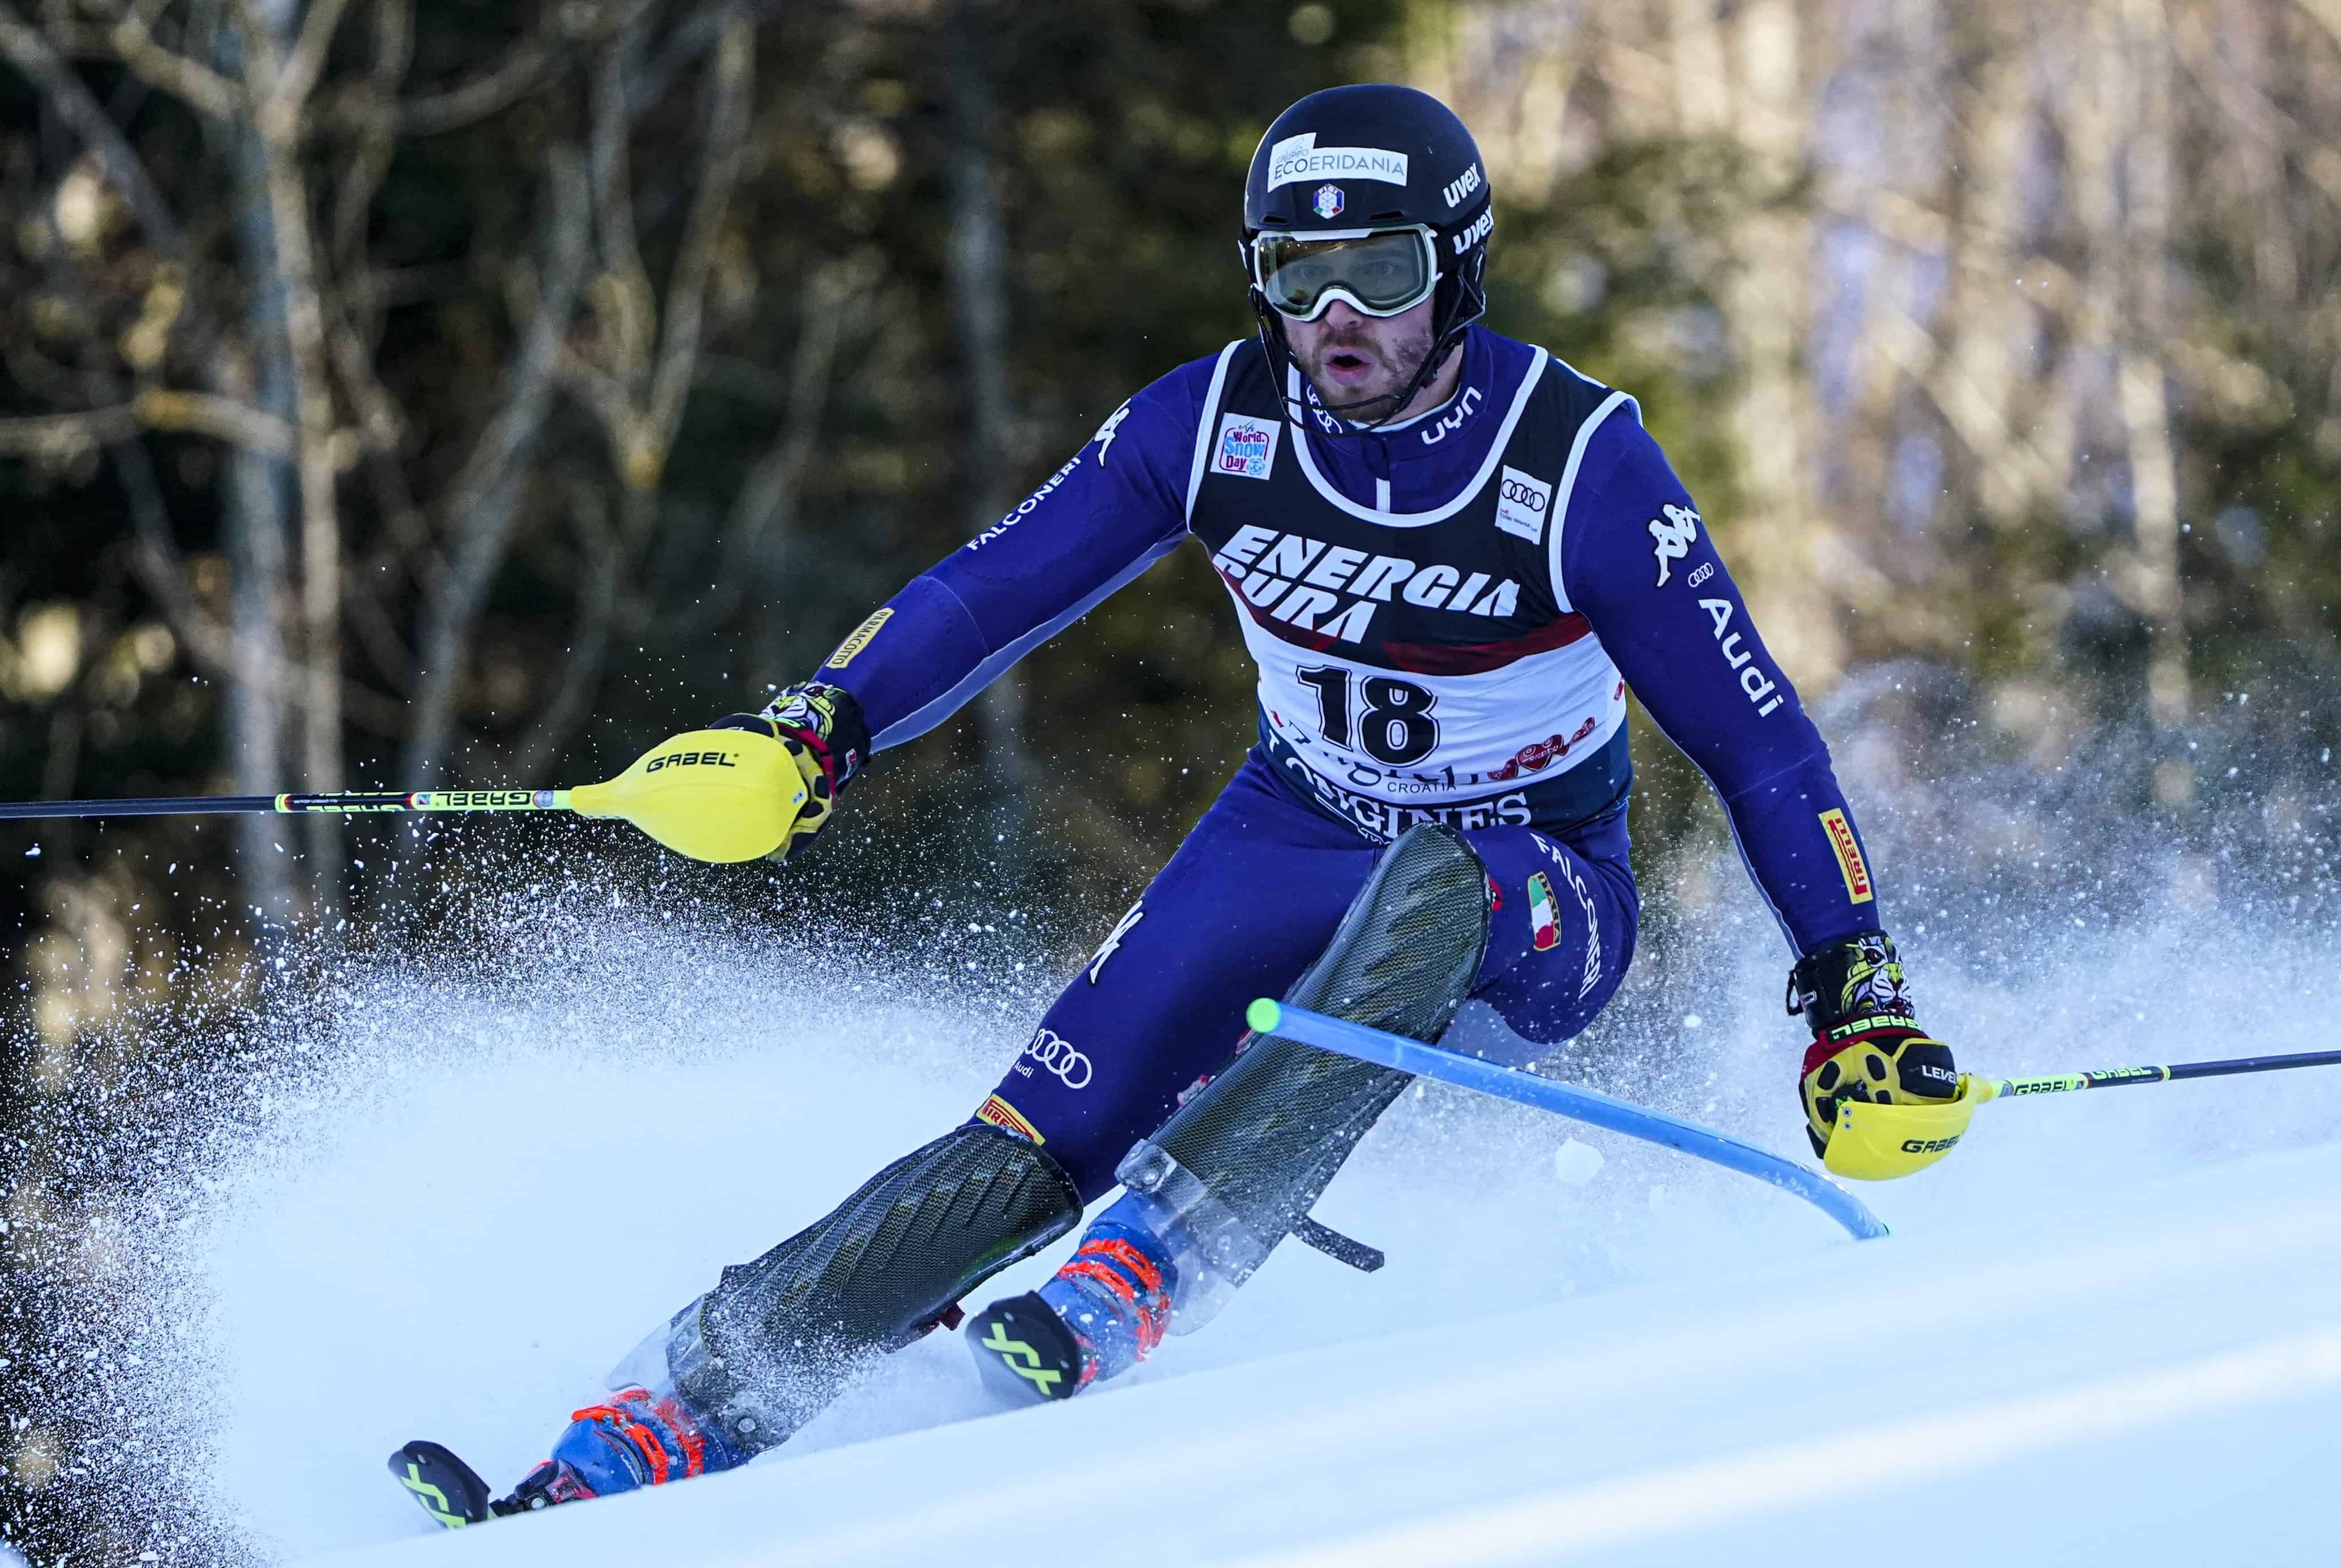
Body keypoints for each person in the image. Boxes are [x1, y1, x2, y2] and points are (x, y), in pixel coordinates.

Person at [393, 83, 1957, 1524]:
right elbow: (998, 585)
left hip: (1539, 887)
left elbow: (1761, 746)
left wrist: (1854, 987)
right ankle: (664, 1419)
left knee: (1434, 876)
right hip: (1293, 828)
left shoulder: (1578, 459)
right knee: (1033, 1136)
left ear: (1460, 272)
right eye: (1294, 274)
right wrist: (816, 734)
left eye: (1382, 273)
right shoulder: (1213, 420)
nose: (1335, 318)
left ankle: (1159, 1255)